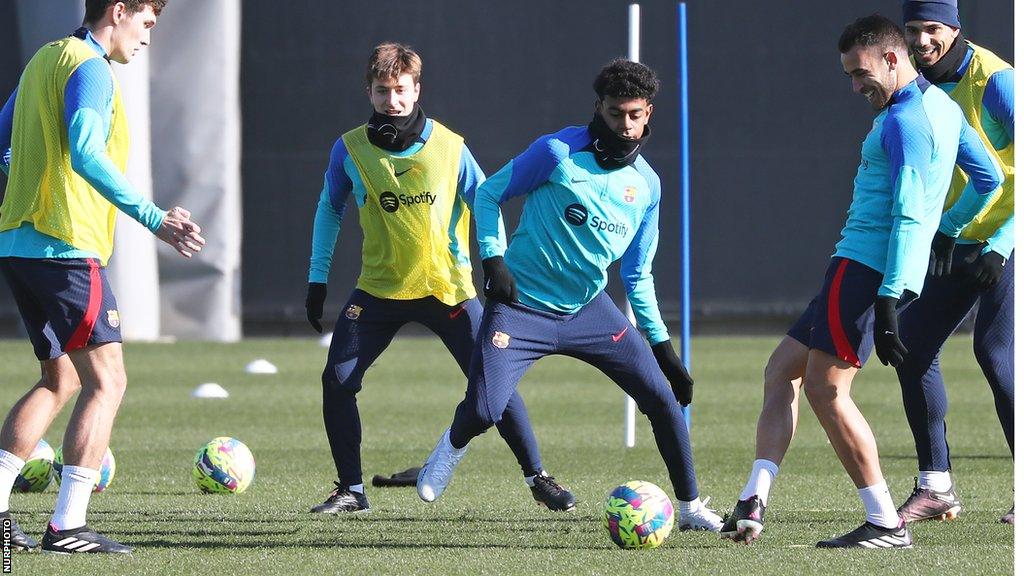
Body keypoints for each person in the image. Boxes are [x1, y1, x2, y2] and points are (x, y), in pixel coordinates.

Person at [719, 14, 1003, 548]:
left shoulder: (906, 121)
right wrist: (952, 229)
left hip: (866, 269)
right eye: (848, 74)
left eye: (860, 71)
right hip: (858, 267)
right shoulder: (939, 105)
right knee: (782, 370)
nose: (855, 85)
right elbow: (987, 176)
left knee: (829, 392)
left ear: (892, 58)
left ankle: (885, 522)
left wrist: (893, 296)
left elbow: (908, 213)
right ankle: (753, 498)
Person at [415, 58, 724, 532]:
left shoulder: (647, 186)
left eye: (635, 115)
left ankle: (690, 508)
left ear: (649, 115)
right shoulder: (557, 151)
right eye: (616, 113)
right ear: (599, 107)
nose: (625, 125)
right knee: (483, 411)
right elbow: (489, 193)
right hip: (520, 306)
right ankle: (449, 448)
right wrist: (493, 259)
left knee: (663, 398)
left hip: (589, 311)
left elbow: (638, 275)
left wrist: (662, 347)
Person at [305, 43, 574, 514]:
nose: (393, 101)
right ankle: (351, 491)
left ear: (417, 89)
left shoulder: (451, 147)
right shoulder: (349, 149)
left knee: (495, 384)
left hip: (448, 290)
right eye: (383, 91)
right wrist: (316, 278)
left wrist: (498, 262)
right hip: (379, 291)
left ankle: (538, 477)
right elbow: (330, 208)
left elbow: (487, 199)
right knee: (337, 380)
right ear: (368, 92)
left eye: (401, 90)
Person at [0, 0, 205, 554]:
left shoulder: (45, 58)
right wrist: (157, 220)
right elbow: (88, 154)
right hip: (66, 250)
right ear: (118, 11)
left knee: (60, 380)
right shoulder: (91, 69)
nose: (146, 37)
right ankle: (67, 527)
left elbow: (3, 138)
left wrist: (27, 179)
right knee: (107, 382)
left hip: (20, 243)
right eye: (146, 23)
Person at [896, 0, 1015, 525]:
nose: (922, 41)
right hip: (956, 237)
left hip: (1008, 236)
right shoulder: (914, 83)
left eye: (933, 30)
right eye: (913, 30)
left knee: (995, 352)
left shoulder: (995, 80)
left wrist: (1002, 244)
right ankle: (936, 486)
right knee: (912, 346)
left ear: (956, 30)